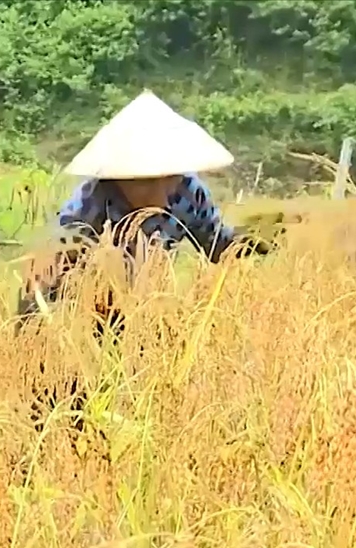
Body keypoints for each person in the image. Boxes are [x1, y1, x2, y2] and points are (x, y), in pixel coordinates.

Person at [15, 90, 270, 444]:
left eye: (168, 177)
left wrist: (261, 239)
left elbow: (216, 244)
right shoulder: (88, 207)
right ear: (119, 177)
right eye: (146, 180)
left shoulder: (189, 193)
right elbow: (47, 281)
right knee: (72, 415)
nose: (161, 191)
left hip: (147, 311)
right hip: (81, 316)